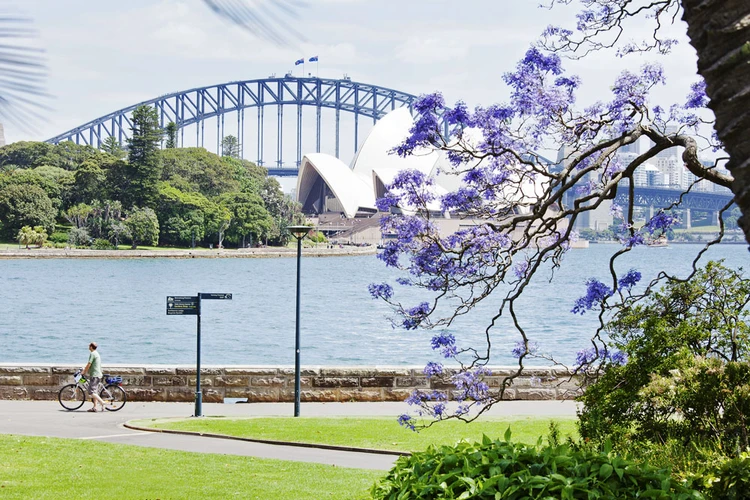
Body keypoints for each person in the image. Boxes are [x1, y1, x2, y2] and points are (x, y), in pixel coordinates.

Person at [82, 342, 105, 412]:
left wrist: (84, 372)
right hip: (97, 374)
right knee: (95, 392)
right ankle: (95, 407)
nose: (88, 346)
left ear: (91, 347)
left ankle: (102, 402)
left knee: (91, 392)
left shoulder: (92, 354)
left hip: (95, 375)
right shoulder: (96, 353)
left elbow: (89, 364)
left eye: (89, 345)